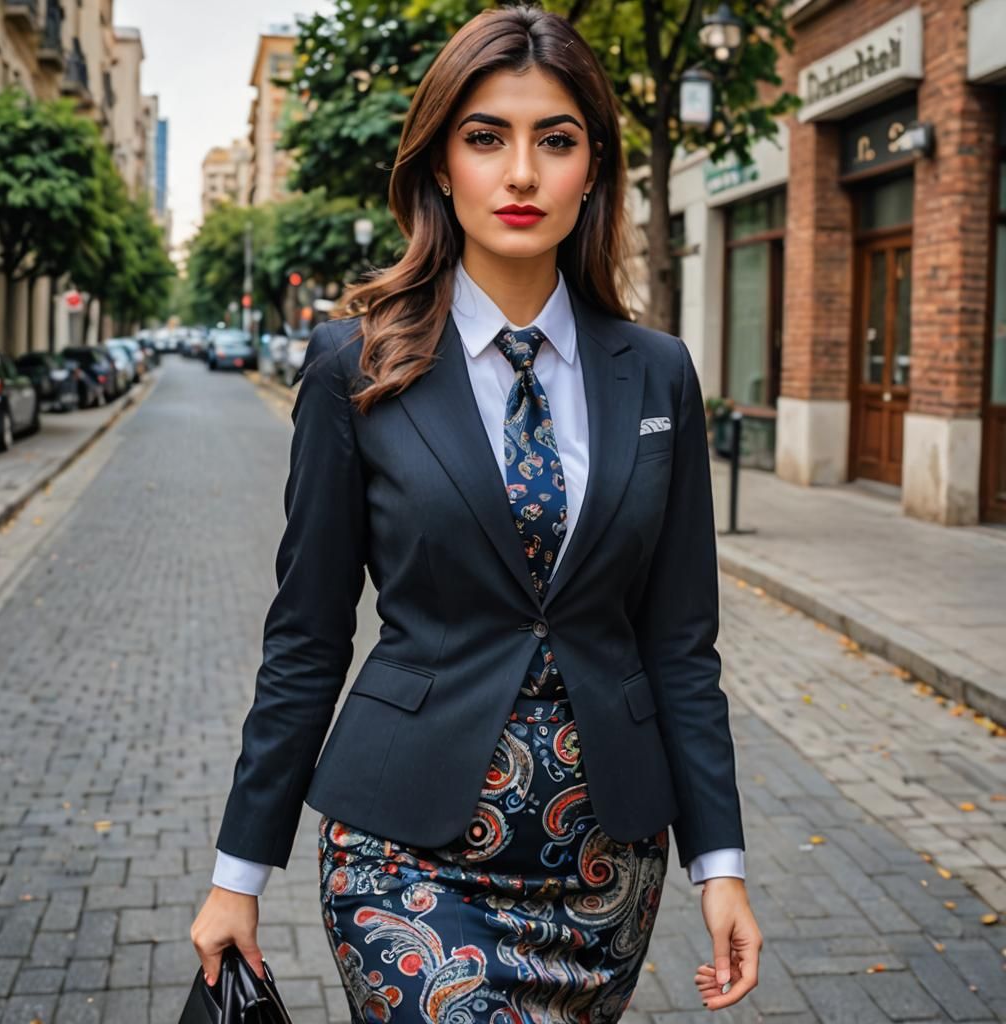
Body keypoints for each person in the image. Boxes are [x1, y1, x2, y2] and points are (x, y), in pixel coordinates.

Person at [190, 5, 762, 1019]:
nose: (522, 173)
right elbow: (308, 633)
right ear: (441, 166)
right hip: (404, 854)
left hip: (605, 866)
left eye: (556, 140)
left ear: (593, 170)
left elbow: (680, 642)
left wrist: (720, 863)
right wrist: (239, 871)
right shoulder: (354, 364)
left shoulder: (658, 373)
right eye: (486, 137)